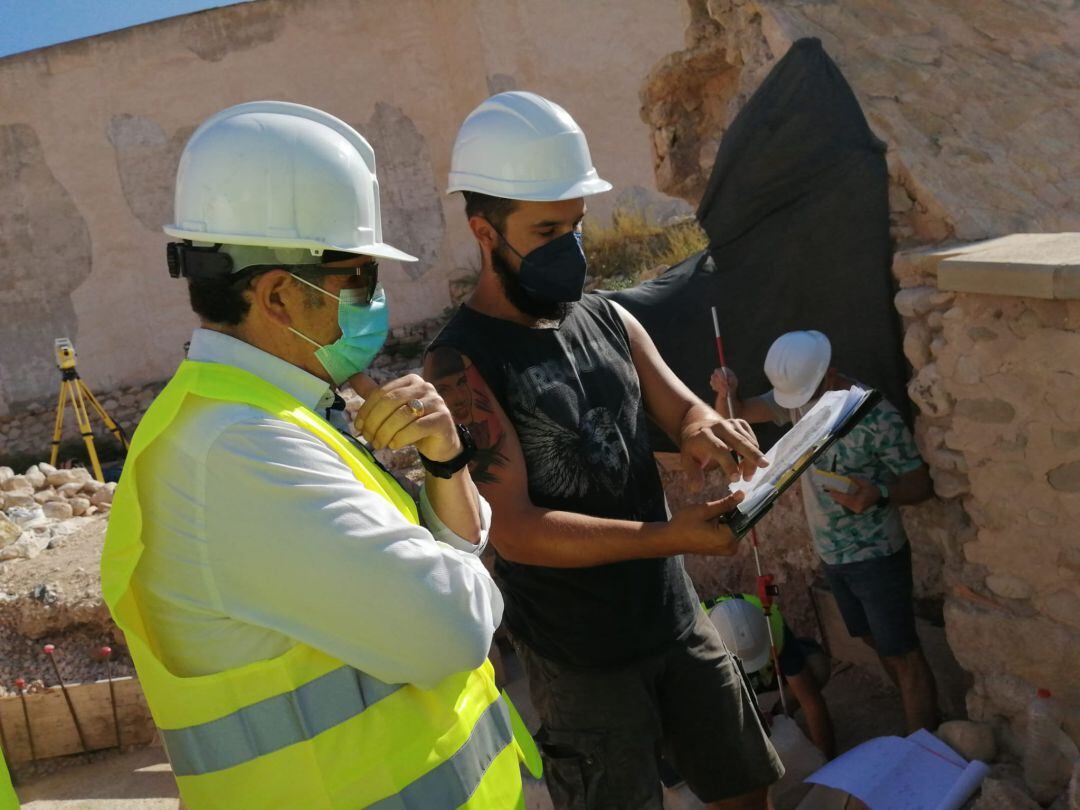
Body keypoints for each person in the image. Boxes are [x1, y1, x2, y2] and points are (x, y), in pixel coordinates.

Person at [100, 101, 538, 809]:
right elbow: (453, 631)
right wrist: (458, 571)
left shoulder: (282, 413)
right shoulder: (237, 450)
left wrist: (447, 460)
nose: (378, 299)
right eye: (360, 278)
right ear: (277, 295)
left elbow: (451, 548)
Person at [427, 91, 783, 810]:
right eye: (548, 228)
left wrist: (701, 431)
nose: (572, 248)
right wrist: (668, 537)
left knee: (747, 791)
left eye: (578, 226)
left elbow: (677, 404)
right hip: (579, 659)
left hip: (675, 619)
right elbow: (519, 532)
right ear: (484, 231)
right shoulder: (461, 363)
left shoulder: (607, 316)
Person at [711, 330, 938, 733]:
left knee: (903, 654)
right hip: (833, 556)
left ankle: (925, 746)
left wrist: (879, 493)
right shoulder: (803, 400)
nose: (801, 407)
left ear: (830, 374)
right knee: (872, 640)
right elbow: (737, 412)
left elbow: (921, 483)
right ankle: (915, 731)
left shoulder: (876, 416)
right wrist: (727, 389)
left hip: (877, 556)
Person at [705, 594, 836, 759]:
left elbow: (809, 699)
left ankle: (780, 714)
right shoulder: (695, 639)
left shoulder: (769, 619)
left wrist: (829, 762)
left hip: (768, 672)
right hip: (727, 682)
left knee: (817, 667)